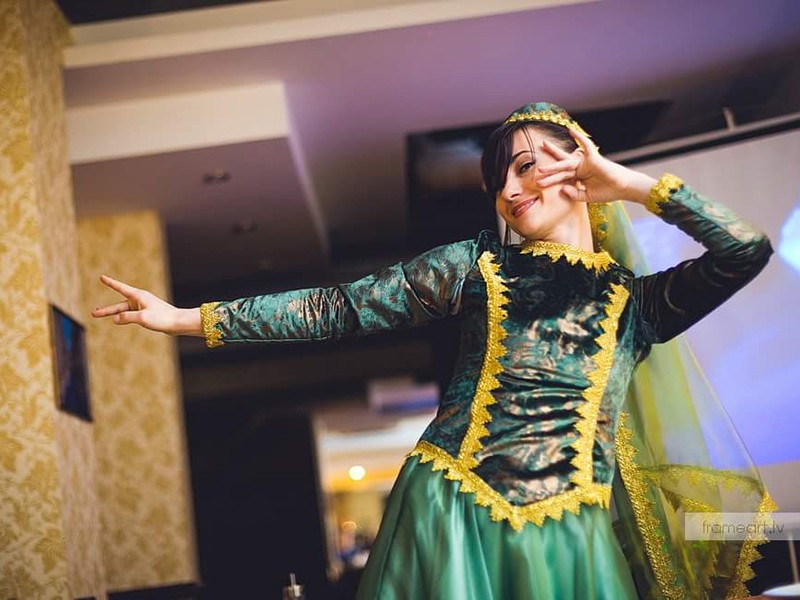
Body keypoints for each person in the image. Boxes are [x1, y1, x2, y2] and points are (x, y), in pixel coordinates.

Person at [93, 102, 775, 599]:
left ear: (579, 163)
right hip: (456, 509)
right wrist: (186, 319)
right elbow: (340, 308)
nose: (509, 192)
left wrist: (629, 184)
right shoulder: (475, 265)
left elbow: (745, 249)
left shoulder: (638, 305)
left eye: (526, 168)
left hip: (574, 528)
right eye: (498, 183)